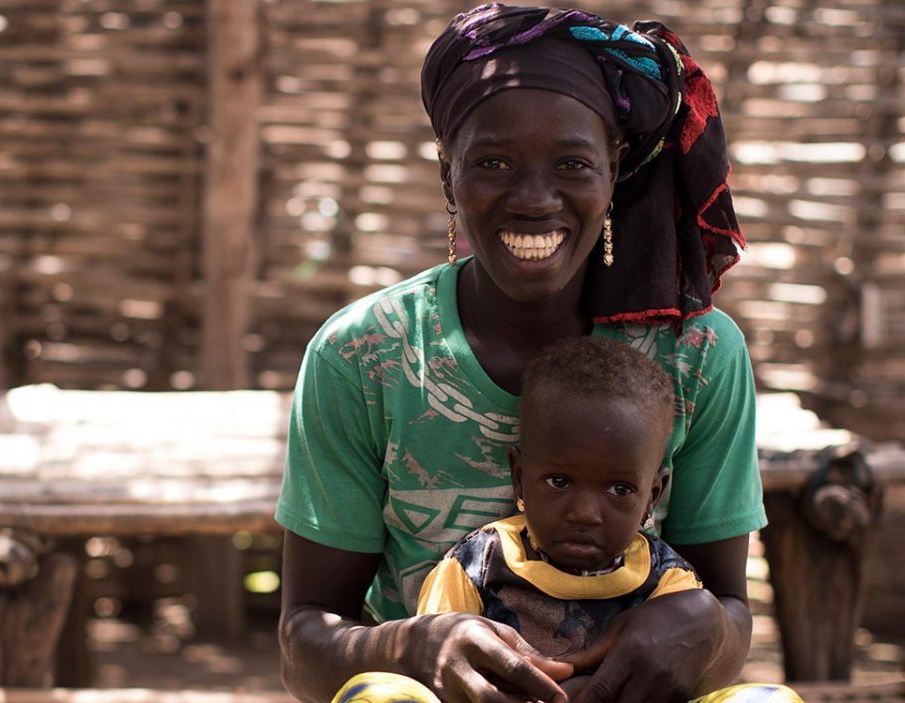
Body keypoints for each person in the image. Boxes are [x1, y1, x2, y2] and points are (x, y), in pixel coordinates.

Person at [275, 4, 764, 703]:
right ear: (448, 175)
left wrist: (706, 629)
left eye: (572, 163)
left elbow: (729, 617)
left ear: (614, 171)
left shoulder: (696, 353)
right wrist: (411, 647)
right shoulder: (365, 355)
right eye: (494, 162)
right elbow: (304, 643)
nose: (534, 199)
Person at [408, 337, 797, 703]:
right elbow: (438, 667)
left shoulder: (667, 584)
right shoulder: (476, 567)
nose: (585, 513)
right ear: (519, 477)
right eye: (559, 481)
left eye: (620, 489)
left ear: (653, 496)